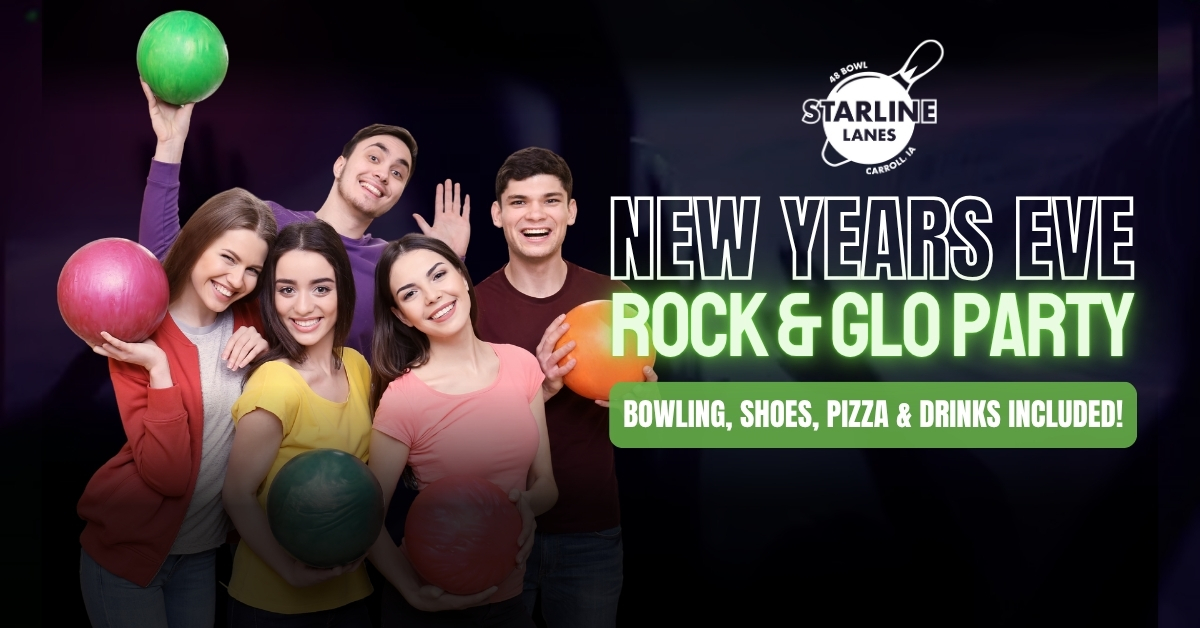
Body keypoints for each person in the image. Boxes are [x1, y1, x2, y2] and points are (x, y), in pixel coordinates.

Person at [137, 79, 471, 360]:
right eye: (374, 157)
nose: (383, 173)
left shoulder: (390, 263)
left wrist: (449, 261)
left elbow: (436, 340)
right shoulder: (271, 223)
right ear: (340, 165)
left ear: (396, 194)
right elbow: (164, 262)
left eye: (397, 172)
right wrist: (170, 144)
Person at [77, 188, 277, 628]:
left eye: (252, 270)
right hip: (130, 555)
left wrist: (267, 350)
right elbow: (166, 476)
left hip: (201, 555)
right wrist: (158, 368)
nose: (237, 279)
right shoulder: (138, 332)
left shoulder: (252, 321)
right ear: (197, 242)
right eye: (227, 257)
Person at [474, 147, 657, 627]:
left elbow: (647, 430)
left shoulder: (616, 298)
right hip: (497, 528)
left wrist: (644, 407)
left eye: (550, 200)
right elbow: (457, 427)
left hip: (591, 535)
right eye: (518, 202)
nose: (535, 214)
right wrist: (538, 385)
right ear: (498, 214)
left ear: (571, 211)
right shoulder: (470, 308)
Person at [366, 234, 557, 627]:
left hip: (508, 600)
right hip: (431, 606)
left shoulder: (521, 364)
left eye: (438, 275)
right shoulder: (403, 399)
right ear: (401, 315)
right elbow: (365, 519)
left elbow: (546, 485)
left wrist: (524, 506)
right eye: (410, 293)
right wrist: (412, 592)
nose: (433, 295)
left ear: (462, 277)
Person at [222, 221, 375, 625]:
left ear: (343, 290)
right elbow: (236, 494)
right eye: (287, 289)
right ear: (271, 297)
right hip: (275, 604)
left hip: (354, 591)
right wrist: (288, 570)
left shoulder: (358, 367)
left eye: (321, 288)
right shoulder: (275, 384)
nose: (303, 307)